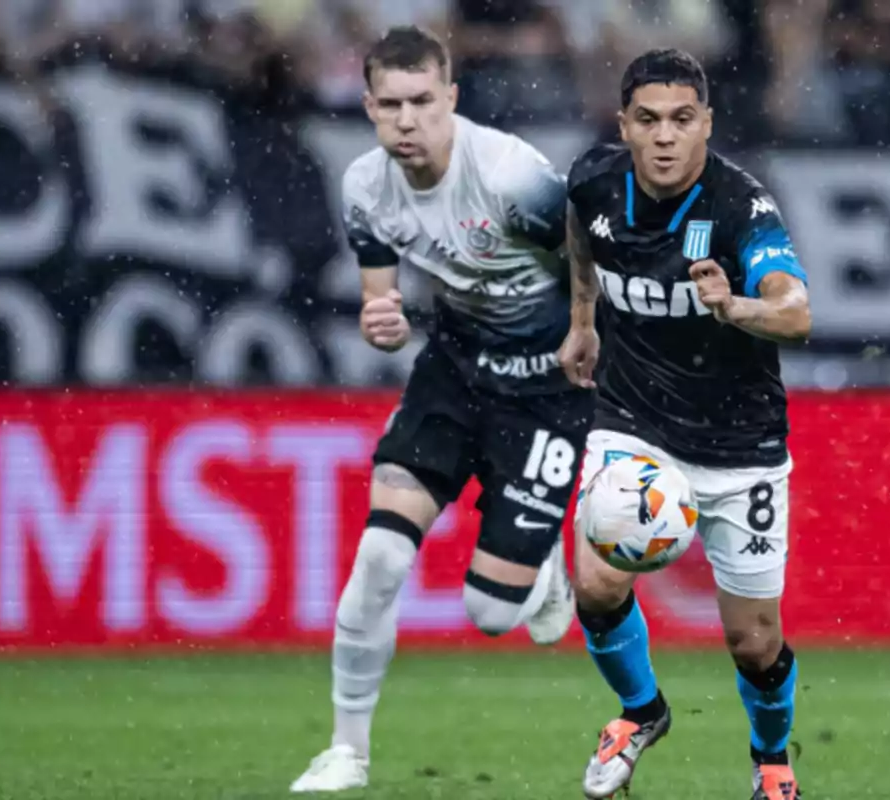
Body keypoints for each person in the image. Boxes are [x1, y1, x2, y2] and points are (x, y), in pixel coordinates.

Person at [291, 25, 591, 793]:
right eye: (389, 104)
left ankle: (549, 553)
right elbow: (380, 302)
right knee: (381, 556)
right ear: (367, 106)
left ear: (451, 98)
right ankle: (346, 753)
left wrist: (588, 337)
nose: (406, 120)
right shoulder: (364, 186)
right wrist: (379, 321)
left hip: (547, 388)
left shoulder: (509, 176)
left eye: (423, 101)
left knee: (492, 614)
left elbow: (593, 255)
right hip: (456, 371)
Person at [558, 48, 812, 800]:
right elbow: (581, 235)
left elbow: (796, 313)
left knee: (753, 642)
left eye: (681, 120)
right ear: (624, 127)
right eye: (648, 120)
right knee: (597, 581)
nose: (665, 137)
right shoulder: (593, 183)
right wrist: (582, 321)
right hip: (633, 420)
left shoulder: (741, 207)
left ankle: (770, 762)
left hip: (741, 444)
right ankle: (640, 714)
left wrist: (736, 307)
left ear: (707, 124)